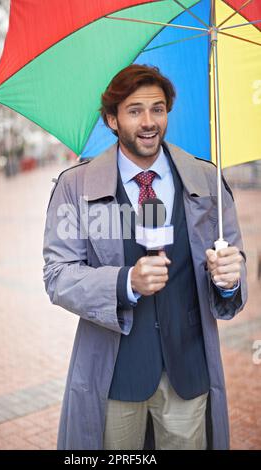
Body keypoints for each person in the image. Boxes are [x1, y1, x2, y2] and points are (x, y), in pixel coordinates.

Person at [43, 64, 247, 450]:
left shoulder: (206, 179)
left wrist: (229, 278)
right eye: (135, 110)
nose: (149, 121)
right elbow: (58, 275)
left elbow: (236, 270)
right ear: (112, 119)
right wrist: (125, 283)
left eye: (158, 109)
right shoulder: (76, 185)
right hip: (115, 374)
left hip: (189, 372)